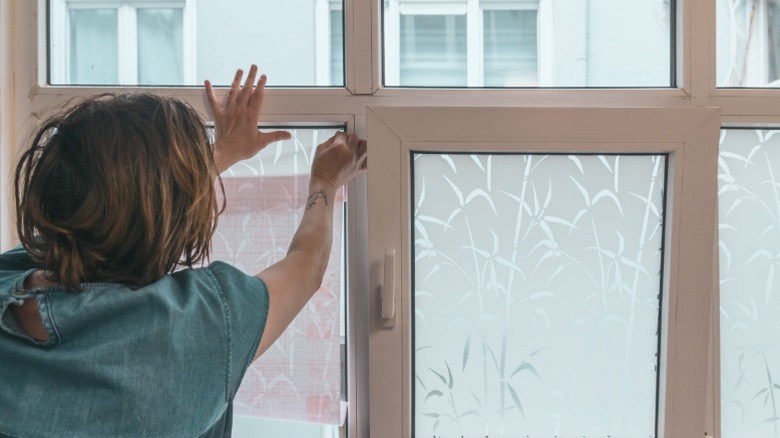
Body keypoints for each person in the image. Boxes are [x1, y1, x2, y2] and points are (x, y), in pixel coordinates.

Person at [0, 65, 367, 437]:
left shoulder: (11, 275)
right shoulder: (197, 324)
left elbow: (113, 218)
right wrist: (326, 180)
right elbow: (307, 264)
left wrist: (221, 153)